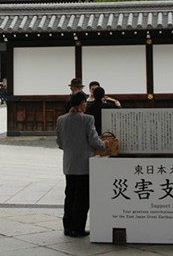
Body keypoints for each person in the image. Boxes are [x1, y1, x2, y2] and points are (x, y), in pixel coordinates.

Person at [56, 91, 107, 238]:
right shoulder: (87, 119)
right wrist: (104, 144)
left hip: (69, 164)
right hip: (84, 165)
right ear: (81, 103)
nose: (86, 105)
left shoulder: (61, 119)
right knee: (82, 198)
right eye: (85, 102)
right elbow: (94, 140)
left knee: (69, 196)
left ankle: (67, 227)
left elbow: (59, 142)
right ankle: (77, 228)